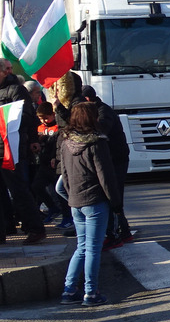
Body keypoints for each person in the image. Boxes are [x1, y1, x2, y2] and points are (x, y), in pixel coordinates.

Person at [59, 102, 121, 306]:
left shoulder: (66, 142)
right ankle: (91, 292)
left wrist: (71, 196)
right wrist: (115, 202)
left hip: (75, 200)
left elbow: (64, 176)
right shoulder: (96, 143)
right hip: (95, 200)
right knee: (94, 248)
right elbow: (106, 175)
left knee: (82, 247)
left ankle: (69, 290)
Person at [80, 85, 132, 247]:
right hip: (111, 158)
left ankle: (116, 232)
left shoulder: (104, 111)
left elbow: (102, 130)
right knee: (112, 195)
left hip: (116, 159)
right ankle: (124, 231)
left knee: (113, 195)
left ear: (88, 100)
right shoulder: (97, 110)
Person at [0, 58, 43, 244]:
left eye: (9, 69)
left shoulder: (17, 90)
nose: (9, 72)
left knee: (18, 190)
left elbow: (28, 117)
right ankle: (6, 227)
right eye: (6, 69)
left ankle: (35, 228)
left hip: (11, 148)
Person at [34, 102, 72, 230]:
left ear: (53, 115)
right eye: (41, 118)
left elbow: (58, 143)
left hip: (54, 163)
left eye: (46, 118)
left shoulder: (57, 127)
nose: (44, 121)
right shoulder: (39, 128)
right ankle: (52, 208)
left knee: (59, 192)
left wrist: (54, 157)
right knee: (36, 186)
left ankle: (67, 217)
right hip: (43, 163)